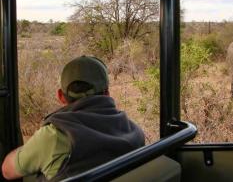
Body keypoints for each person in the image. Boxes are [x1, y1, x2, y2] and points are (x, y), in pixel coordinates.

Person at [1, 55, 145, 181]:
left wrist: (32, 144)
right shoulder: (134, 131)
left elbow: (7, 171)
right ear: (107, 93)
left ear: (61, 96)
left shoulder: (54, 137)